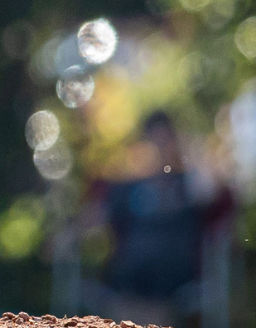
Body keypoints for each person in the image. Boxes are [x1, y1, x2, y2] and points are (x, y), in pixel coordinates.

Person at [77, 112, 235, 326]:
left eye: (165, 140)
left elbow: (211, 195)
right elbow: (97, 215)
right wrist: (69, 234)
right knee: (126, 298)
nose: (159, 147)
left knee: (152, 304)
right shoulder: (127, 187)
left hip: (174, 274)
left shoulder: (188, 183)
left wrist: (193, 157)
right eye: (153, 140)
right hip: (130, 272)